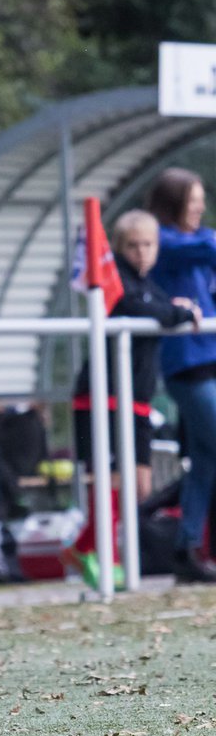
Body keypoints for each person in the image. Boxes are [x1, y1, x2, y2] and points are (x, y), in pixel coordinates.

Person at [64, 209, 200, 589]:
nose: (141, 252)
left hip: (136, 400)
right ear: (120, 248)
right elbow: (139, 308)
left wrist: (179, 309)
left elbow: (159, 306)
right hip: (102, 397)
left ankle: (85, 546)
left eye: (148, 245)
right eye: (133, 245)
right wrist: (177, 312)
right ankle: (101, 556)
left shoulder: (149, 283)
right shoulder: (115, 280)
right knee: (108, 482)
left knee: (138, 487)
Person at [147, 167, 216, 583]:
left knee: (206, 460)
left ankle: (185, 548)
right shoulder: (162, 240)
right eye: (193, 202)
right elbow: (208, 248)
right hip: (187, 366)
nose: (201, 208)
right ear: (174, 204)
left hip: (208, 359)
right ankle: (180, 539)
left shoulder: (191, 241)